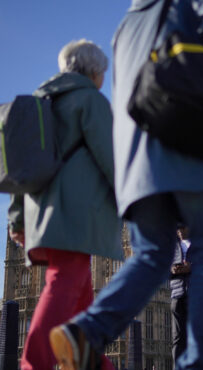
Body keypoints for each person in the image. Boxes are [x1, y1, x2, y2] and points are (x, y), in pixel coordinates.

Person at [49, 0, 203, 368]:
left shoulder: (127, 23)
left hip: (138, 165)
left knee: (150, 256)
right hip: (193, 145)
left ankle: (87, 331)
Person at [8, 39, 123, 370]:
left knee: (82, 305)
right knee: (63, 285)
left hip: (42, 215)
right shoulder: (91, 101)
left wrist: (17, 218)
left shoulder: (37, 102)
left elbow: (21, 167)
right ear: (94, 71)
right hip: (75, 218)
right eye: (104, 71)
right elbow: (113, 160)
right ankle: (34, 364)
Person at [170, 226, 192, 364]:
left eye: (181, 227)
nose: (179, 230)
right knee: (177, 338)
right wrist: (171, 269)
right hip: (177, 294)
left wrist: (191, 267)